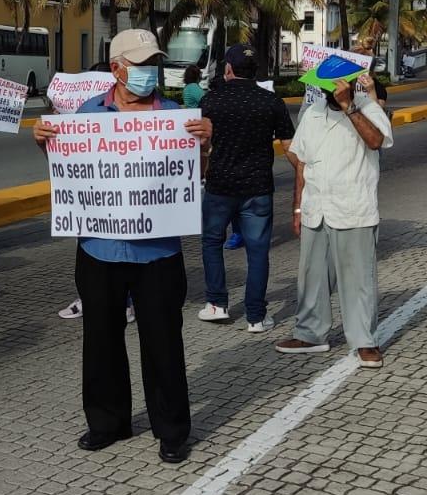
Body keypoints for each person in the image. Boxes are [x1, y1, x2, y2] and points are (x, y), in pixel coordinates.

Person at [33, 28, 212, 464]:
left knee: (163, 342)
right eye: (140, 64)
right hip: (99, 249)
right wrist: (46, 146)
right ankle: (107, 422)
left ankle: (171, 430)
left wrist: (204, 147)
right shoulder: (86, 115)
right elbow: (72, 173)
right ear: (116, 68)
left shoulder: (175, 116)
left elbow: (191, 178)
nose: (149, 72)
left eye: (153, 64)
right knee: (101, 339)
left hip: (159, 254)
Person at [278, 70, 394, 366]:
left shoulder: (368, 108)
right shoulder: (313, 114)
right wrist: (297, 206)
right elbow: (301, 162)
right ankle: (310, 333)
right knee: (312, 278)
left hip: (353, 208)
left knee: (358, 280)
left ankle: (365, 341)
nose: (333, 92)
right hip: (316, 207)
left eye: (339, 87)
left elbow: (376, 141)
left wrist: (349, 107)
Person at [197, 44, 295, 331]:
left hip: (220, 186)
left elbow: (202, 145)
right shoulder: (271, 102)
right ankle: (256, 316)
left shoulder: (211, 100)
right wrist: (305, 174)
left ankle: (216, 304)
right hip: (257, 188)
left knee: (212, 243)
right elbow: (290, 146)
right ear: (254, 72)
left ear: (228, 69)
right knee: (257, 251)